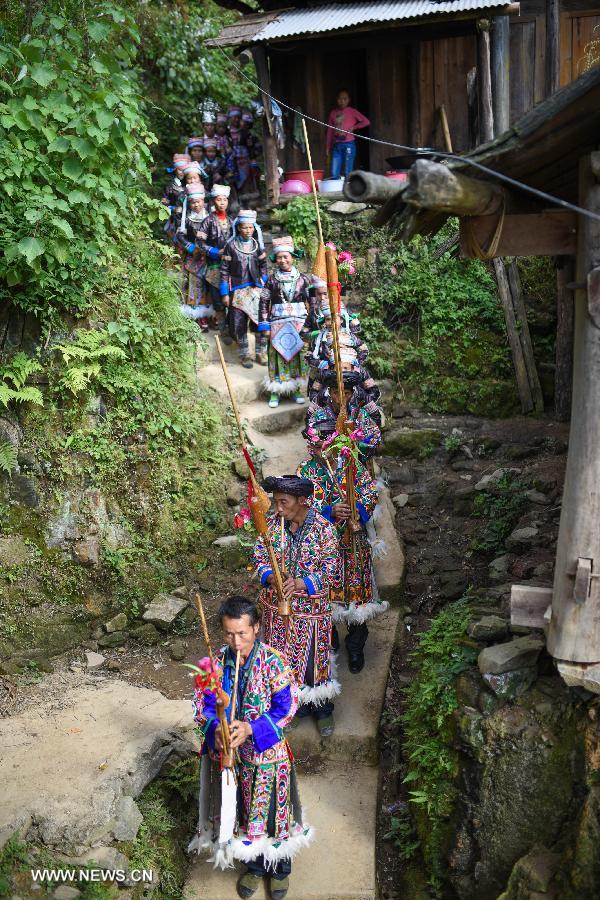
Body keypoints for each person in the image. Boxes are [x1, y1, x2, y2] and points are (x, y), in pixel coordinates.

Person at [190, 595, 313, 900]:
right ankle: (256, 867)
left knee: (274, 812)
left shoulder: (274, 661)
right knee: (243, 813)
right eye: (229, 633)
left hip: (266, 756)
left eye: (242, 633)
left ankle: (280, 869)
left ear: (256, 628)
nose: (236, 641)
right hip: (231, 758)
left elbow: (287, 707)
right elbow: (201, 706)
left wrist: (250, 729)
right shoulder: (215, 662)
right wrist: (215, 729)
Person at [252, 475, 342, 738]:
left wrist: (302, 583)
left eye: (283, 502)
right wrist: (270, 576)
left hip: (312, 612)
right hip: (277, 611)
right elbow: (260, 555)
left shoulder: (324, 529)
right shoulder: (273, 524)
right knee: (283, 660)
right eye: (275, 502)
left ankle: (323, 709)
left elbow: (332, 570)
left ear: (303, 501)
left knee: (314, 660)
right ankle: (293, 707)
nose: (277, 508)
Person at [297, 419, 388, 674]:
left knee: (357, 600)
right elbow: (301, 506)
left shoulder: (351, 463)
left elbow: (370, 494)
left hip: (354, 543)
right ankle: (331, 642)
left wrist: (356, 511)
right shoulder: (306, 471)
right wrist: (329, 511)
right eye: (311, 443)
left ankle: (356, 645)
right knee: (326, 597)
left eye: (318, 443)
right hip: (324, 547)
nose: (313, 448)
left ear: (333, 443)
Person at [259, 236, 312, 407]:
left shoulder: (304, 279)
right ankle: (275, 391)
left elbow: (312, 302)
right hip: (277, 323)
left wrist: (311, 324)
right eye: (279, 257)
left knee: (296, 356)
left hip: (299, 323)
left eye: (286, 257)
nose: (283, 260)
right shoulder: (271, 280)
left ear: (292, 257)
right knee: (277, 355)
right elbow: (263, 302)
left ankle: (295, 389)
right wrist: (264, 323)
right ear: (275, 259)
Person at [220, 209, 268, 369]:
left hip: (256, 290)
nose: (248, 230)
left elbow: (263, 266)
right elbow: (224, 270)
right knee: (239, 324)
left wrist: (263, 283)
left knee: (260, 322)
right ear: (239, 228)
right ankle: (245, 354)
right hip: (238, 292)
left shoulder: (257, 246)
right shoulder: (231, 246)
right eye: (245, 227)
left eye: (251, 228)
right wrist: (225, 293)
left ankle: (261, 353)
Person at [306, 369, 382, 461]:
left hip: (354, 464)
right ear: (329, 392)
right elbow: (311, 445)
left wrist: (355, 444)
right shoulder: (318, 416)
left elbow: (375, 439)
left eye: (346, 393)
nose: (340, 400)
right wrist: (323, 449)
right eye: (335, 393)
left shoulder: (361, 415)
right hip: (328, 466)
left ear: (353, 393)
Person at [198, 184, 234, 342]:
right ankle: (223, 329)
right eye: (219, 200)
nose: (222, 203)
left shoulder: (233, 221)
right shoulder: (207, 221)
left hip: (232, 267)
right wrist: (215, 252)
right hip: (214, 267)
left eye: (224, 200)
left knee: (232, 298)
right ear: (214, 201)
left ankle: (234, 328)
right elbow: (199, 243)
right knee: (218, 300)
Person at [177, 184, 213, 330]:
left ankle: (212, 314)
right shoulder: (187, 220)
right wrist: (190, 248)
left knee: (210, 285)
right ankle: (199, 315)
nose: (196, 204)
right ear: (189, 203)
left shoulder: (211, 218)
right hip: (193, 259)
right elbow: (180, 237)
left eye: (198, 201)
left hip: (210, 257)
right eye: (193, 202)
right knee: (195, 286)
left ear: (204, 201)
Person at [326, 89, 370, 180]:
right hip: (336, 145)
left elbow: (366, 122)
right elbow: (330, 131)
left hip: (349, 144)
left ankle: (348, 190)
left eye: (345, 99)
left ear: (348, 100)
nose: (342, 101)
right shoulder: (333, 113)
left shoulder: (352, 111)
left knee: (347, 171)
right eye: (340, 99)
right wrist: (327, 147)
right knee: (334, 173)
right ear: (336, 99)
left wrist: (354, 127)